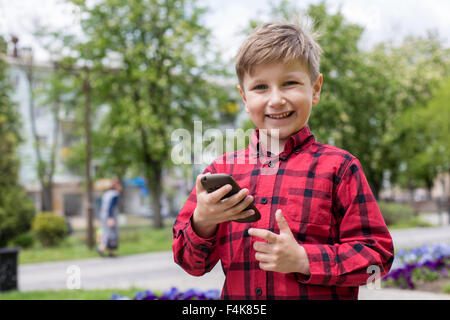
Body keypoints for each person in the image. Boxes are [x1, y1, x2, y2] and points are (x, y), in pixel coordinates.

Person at [172, 21, 394, 300]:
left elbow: (377, 260)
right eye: (261, 87)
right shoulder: (220, 171)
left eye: (290, 83)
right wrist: (203, 221)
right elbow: (190, 263)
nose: (276, 100)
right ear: (244, 96)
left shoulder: (340, 168)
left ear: (315, 88)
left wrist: (304, 259)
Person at [97, 179, 122, 257]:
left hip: (103, 214)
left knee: (106, 232)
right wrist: (110, 218)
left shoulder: (106, 194)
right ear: (117, 186)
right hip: (110, 216)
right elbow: (111, 206)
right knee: (111, 233)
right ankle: (102, 248)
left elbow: (102, 205)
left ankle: (110, 252)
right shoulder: (115, 194)